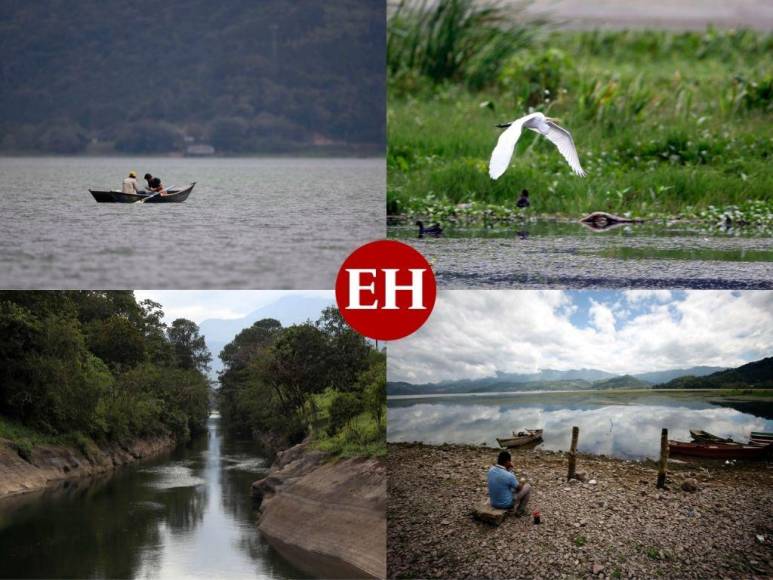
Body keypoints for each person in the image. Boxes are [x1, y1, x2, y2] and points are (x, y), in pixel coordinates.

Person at [487, 450, 531, 515]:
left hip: (493, 502)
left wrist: (509, 470)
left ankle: (514, 508)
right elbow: (519, 488)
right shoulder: (509, 475)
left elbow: (503, 480)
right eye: (510, 461)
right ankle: (520, 511)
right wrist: (522, 482)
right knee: (528, 486)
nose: (510, 462)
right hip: (505, 504)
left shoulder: (491, 470)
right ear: (507, 461)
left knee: (508, 487)